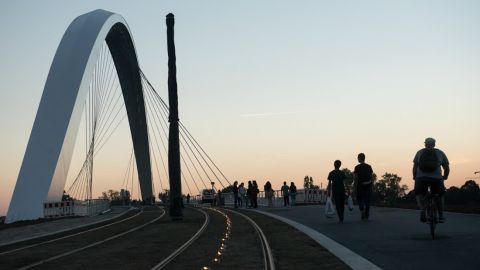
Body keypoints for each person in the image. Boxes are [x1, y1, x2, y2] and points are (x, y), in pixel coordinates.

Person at [413, 137, 449, 223]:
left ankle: (422, 210)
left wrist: (415, 177)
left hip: (421, 178)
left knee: (419, 193)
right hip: (437, 178)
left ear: (425, 144)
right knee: (440, 195)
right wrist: (445, 177)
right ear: (434, 144)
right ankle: (440, 216)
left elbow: (415, 167)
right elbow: (446, 167)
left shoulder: (419, 152)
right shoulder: (440, 153)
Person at [354, 153, 374, 220]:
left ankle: (362, 210)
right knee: (367, 200)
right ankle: (367, 213)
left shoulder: (357, 167)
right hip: (368, 185)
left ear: (359, 158)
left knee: (360, 199)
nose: (357, 159)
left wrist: (355, 187)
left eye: (358, 158)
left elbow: (356, 178)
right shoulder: (369, 166)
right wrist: (371, 185)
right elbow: (371, 177)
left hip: (360, 186)